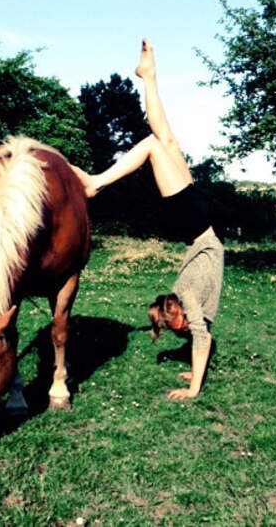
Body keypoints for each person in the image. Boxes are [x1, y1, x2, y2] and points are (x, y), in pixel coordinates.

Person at [71, 38, 225, 401]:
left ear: (176, 312)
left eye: (176, 324)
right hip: (197, 227)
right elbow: (203, 337)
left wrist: (192, 386)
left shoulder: (187, 297)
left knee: (158, 145)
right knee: (164, 141)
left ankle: (97, 183)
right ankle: (149, 77)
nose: (183, 326)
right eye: (178, 326)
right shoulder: (189, 301)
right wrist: (193, 376)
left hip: (195, 227)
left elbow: (202, 337)